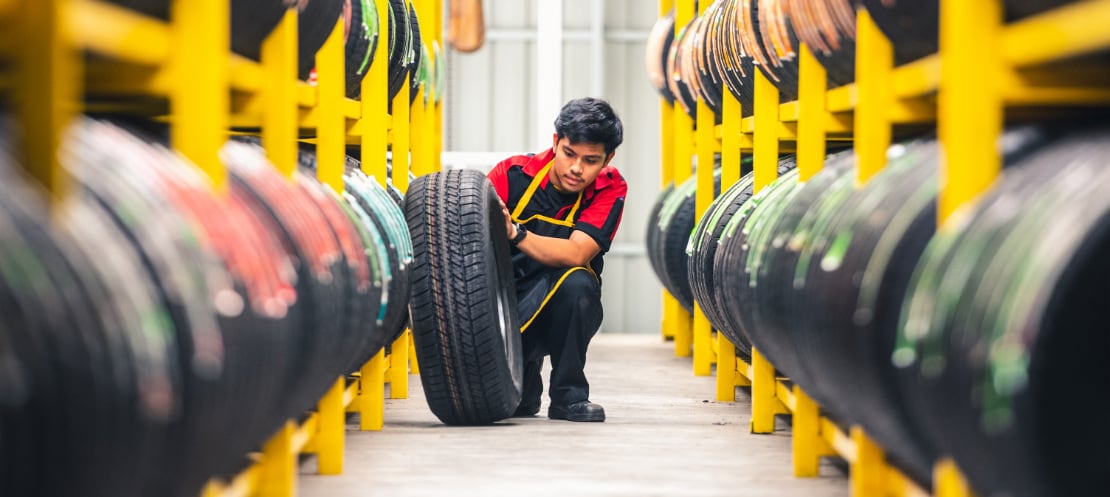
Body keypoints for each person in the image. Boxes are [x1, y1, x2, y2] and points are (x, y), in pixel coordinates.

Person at [487, 97, 627, 422]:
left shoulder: (610, 188)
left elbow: (578, 252)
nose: (577, 169)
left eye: (591, 160)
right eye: (569, 154)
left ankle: (568, 396)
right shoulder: (511, 175)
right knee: (517, 403)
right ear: (555, 142)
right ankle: (525, 370)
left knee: (578, 281)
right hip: (506, 308)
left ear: (608, 159)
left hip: (563, 311)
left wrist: (516, 233)